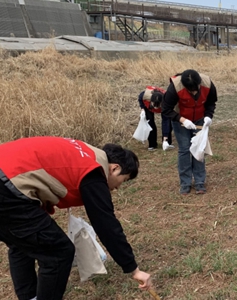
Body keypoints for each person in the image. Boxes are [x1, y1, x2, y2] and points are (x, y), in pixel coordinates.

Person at [0, 137, 152, 300]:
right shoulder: (93, 169)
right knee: (59, 252)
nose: (117, 188)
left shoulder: (84, 153)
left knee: (21, 243)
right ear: (115, 168)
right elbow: (106, 224)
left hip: (7, 179)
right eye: (124, 180)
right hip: (7, 187)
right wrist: (133, 269)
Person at [162, 69, 217, 195]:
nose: (193, 92)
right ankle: (185, 183)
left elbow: (211, 102)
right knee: (184, 150)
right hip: (180, 120)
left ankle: (199, 182)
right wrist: (182, 120)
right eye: (190, 90)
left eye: (195, 89)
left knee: (199, 148)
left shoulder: (207, 83)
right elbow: (166, 109)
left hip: (200, 118)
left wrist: (208, 116)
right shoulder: (174, 87)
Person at [137, 86, 174, 151]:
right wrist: (142, 109)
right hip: (149, 107)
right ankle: (152, 144)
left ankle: (166, 142)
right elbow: (140, 98)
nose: (156, 108)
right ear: (151, 101)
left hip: (163, 107)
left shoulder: (166, 102)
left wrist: (165, 138)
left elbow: (165, 121)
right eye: (154, 105)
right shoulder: (145, 96)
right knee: (150, 122)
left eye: (158, 105)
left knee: (168, 123)